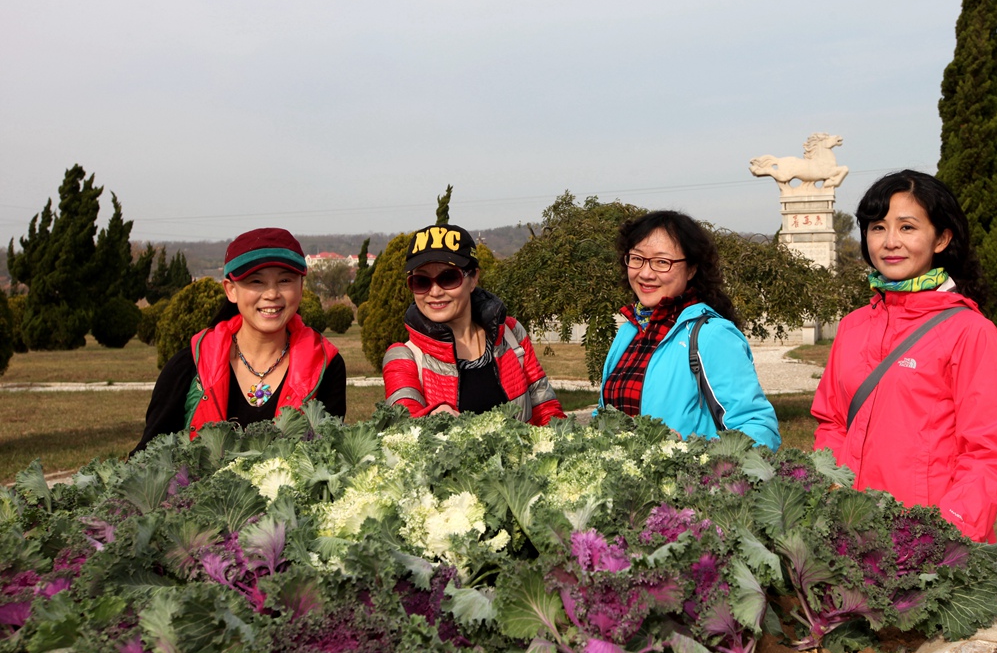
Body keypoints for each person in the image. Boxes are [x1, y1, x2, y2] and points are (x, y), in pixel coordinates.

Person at [810, 170, 997, 543]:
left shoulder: (970, 331)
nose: (890, 242)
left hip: (924, 542)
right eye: (878, 228)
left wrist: (943, 536)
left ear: (942, 238)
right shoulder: (853, 326)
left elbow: (987, 456)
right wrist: (831, 491)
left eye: (907, 227)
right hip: (851, 535)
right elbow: (833, 423)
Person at [134, 228, 346, 453]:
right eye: (256, 281)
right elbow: (148, 456)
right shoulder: (190, 365)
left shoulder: (325, 366)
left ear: (300, 288)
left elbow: (328, 454)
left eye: (284, 280)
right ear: (231, 290)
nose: (272, 294)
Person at [598, 210, 781, 450]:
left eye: (662, 262)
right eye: (637, 258)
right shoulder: (629, 332)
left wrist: (692, 453)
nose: (645, 273)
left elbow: (758, 428)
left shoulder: (711, 335)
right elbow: (605, 416)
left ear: (692, 269)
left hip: (688, 475)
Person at [382, 224, 565, 425]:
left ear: (473, 279)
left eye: (448, 278)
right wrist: (431, 418)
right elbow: (402, 424)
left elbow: (547, 410)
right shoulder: (402, 358)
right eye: (421, 281)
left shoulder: (511, 333)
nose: (435, 292)